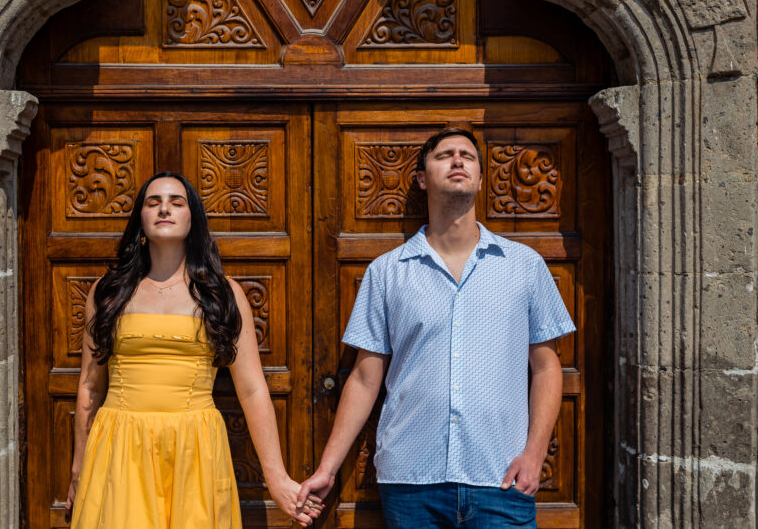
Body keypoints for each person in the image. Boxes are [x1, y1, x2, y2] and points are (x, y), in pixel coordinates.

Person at [297, 128, 575, 529]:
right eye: (445, 155)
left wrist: (534, 455)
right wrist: (328, 469)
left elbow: (547, 368)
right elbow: (363, 378)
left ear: (480, 178)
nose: (458, 160)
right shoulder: (388, 272)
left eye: (467, 155)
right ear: (422, 178)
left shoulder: (524, 266)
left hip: (501, 479)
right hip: (411, 483)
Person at [66, 171, 322, 528]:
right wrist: (79, 468)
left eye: (176, 202)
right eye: (153, 203)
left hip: (194, 449)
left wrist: (276, 478)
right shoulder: (108, 292)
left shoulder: (222, 293)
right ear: (140, 217)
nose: (164, 209)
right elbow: (90, 387)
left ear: (192, 217)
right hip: (119, 447)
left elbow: (251, 389)